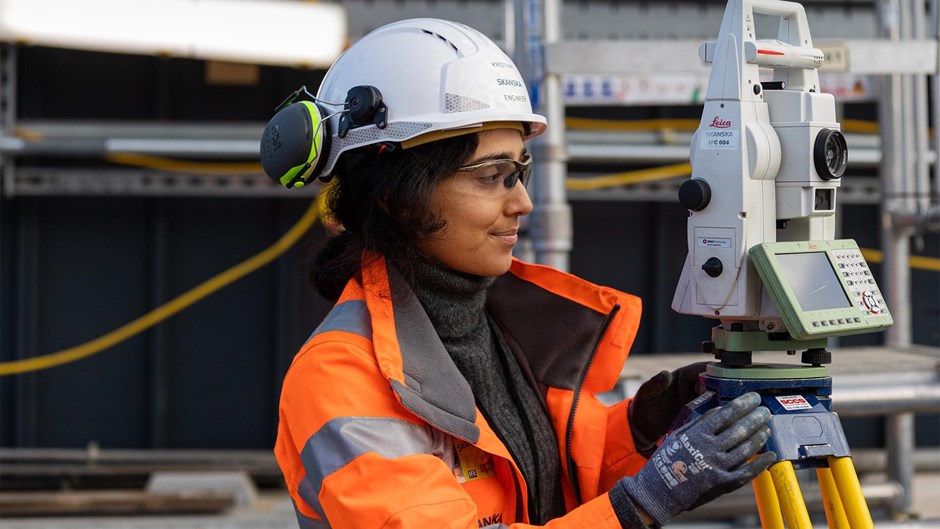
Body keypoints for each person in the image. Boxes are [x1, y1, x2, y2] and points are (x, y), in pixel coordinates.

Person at [266, 18, 776, 529]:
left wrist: (647, 430)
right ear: (395, 197)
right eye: (492, 177)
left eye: (521, 171)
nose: (523, 202)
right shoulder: (339, 377)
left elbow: (546, 484)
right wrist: (644, 501)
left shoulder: (495, 329)